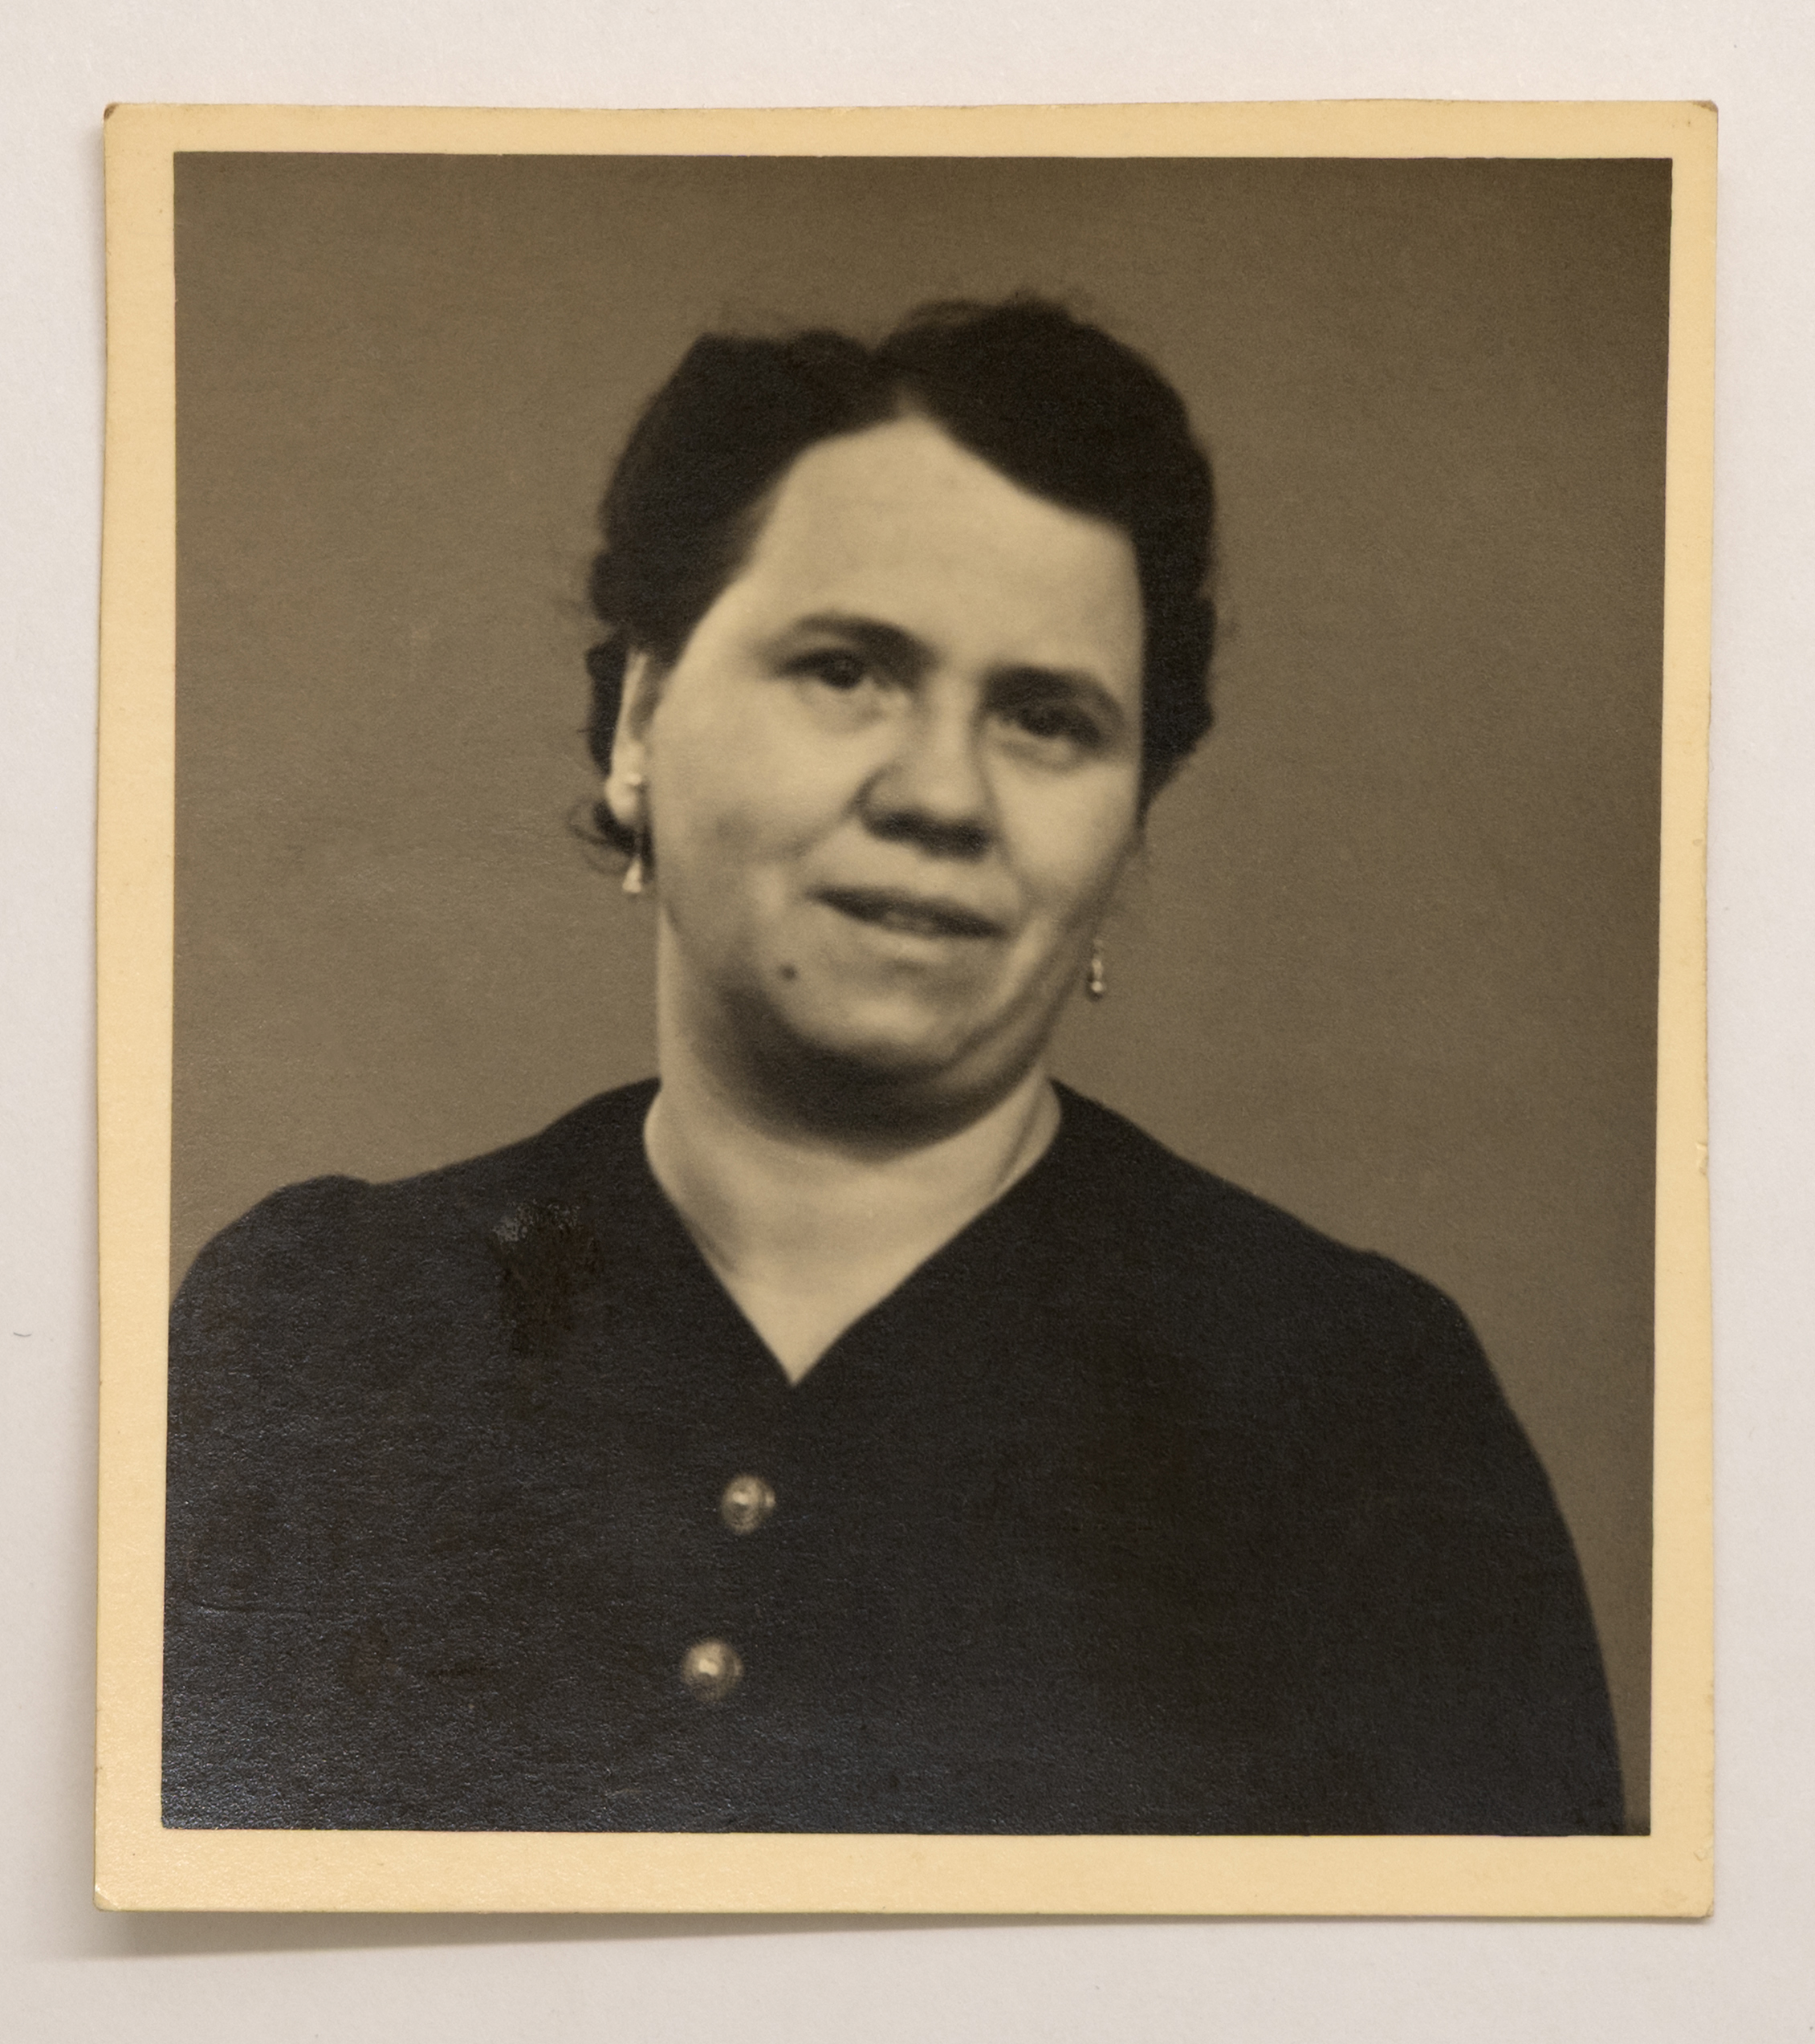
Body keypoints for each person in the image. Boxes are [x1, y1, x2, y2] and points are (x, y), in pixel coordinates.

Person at [162, 298, 1624, 1835]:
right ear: (641, 722)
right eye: (847, 669)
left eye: (1046, 718)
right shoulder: (316, 1328)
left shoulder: (1352, 1409)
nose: (940, 793)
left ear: (1128, 823)